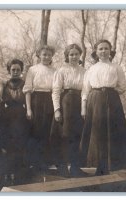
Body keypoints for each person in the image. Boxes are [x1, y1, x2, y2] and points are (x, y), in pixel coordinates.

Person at [80, 39, 126, 176]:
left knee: (111, 131)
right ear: (96, 52)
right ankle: (98, 165)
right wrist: (84, 108)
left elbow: (122, 86)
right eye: (101, 49)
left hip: (111, 100)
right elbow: (85, 89)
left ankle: (111, 165)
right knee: (97, 132)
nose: (103, 51)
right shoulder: (91, 69)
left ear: (110, 51)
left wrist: (111, 93)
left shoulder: (116, 67)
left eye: (106, 49)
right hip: (95, 99)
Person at [50, 44, 87, 177]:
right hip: (65, 103)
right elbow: (55, 91)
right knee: (64, 136)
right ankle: (62, 167)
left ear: (80, 55)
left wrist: (84, 107)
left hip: (79, 104)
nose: (74, 57)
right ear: (67, 56)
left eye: (76, 54)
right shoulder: (61, 71)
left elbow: (86, 90)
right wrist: (57, 110)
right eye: (71, 54)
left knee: (78, 135)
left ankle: (75, 167)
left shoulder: (84, 71)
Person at [23, 45, 56, 176]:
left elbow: (56, 89)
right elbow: (27, 90)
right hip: (36, 100)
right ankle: (34, 163)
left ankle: (45, 163)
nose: (46, 57)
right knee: (35, 131)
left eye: (49, 54)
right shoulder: (32, 69)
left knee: (47, 131)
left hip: (49, 100)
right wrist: (29, 109)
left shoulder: (55, 70)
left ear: (52, 56)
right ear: (39, 55)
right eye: (44, 54)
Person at [1, 59, 30, 185]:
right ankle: (7, 173)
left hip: (21, 116)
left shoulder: (25, 84)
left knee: (21, 145)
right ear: (9, 70)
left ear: (21, 71)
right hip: (7, 117)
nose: (16, 72)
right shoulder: (4, 84)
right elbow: (0, 100)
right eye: (13, 69)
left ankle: (20, 174)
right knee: (8, 145)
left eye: (18, 70)